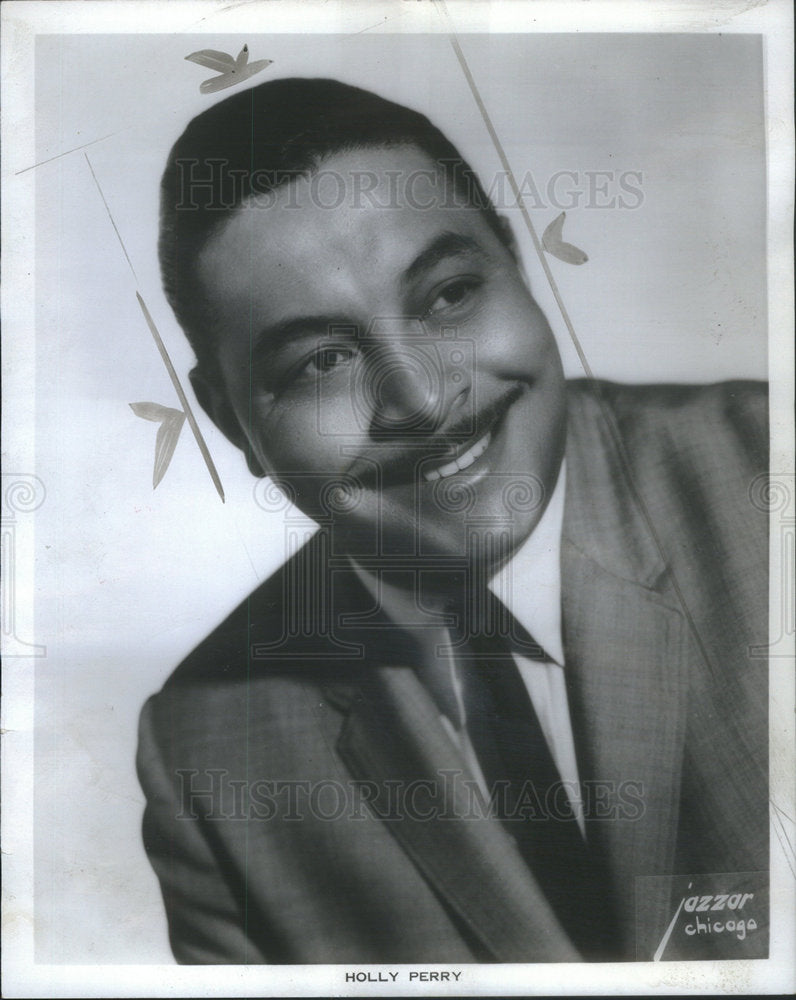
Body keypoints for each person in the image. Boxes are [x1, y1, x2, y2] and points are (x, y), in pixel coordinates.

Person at [137, 77, 769, 964]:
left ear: (516, 262)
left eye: (448, 296)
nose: (424, 399)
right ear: (229, 421)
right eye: (321, 361)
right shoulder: (208, 758)